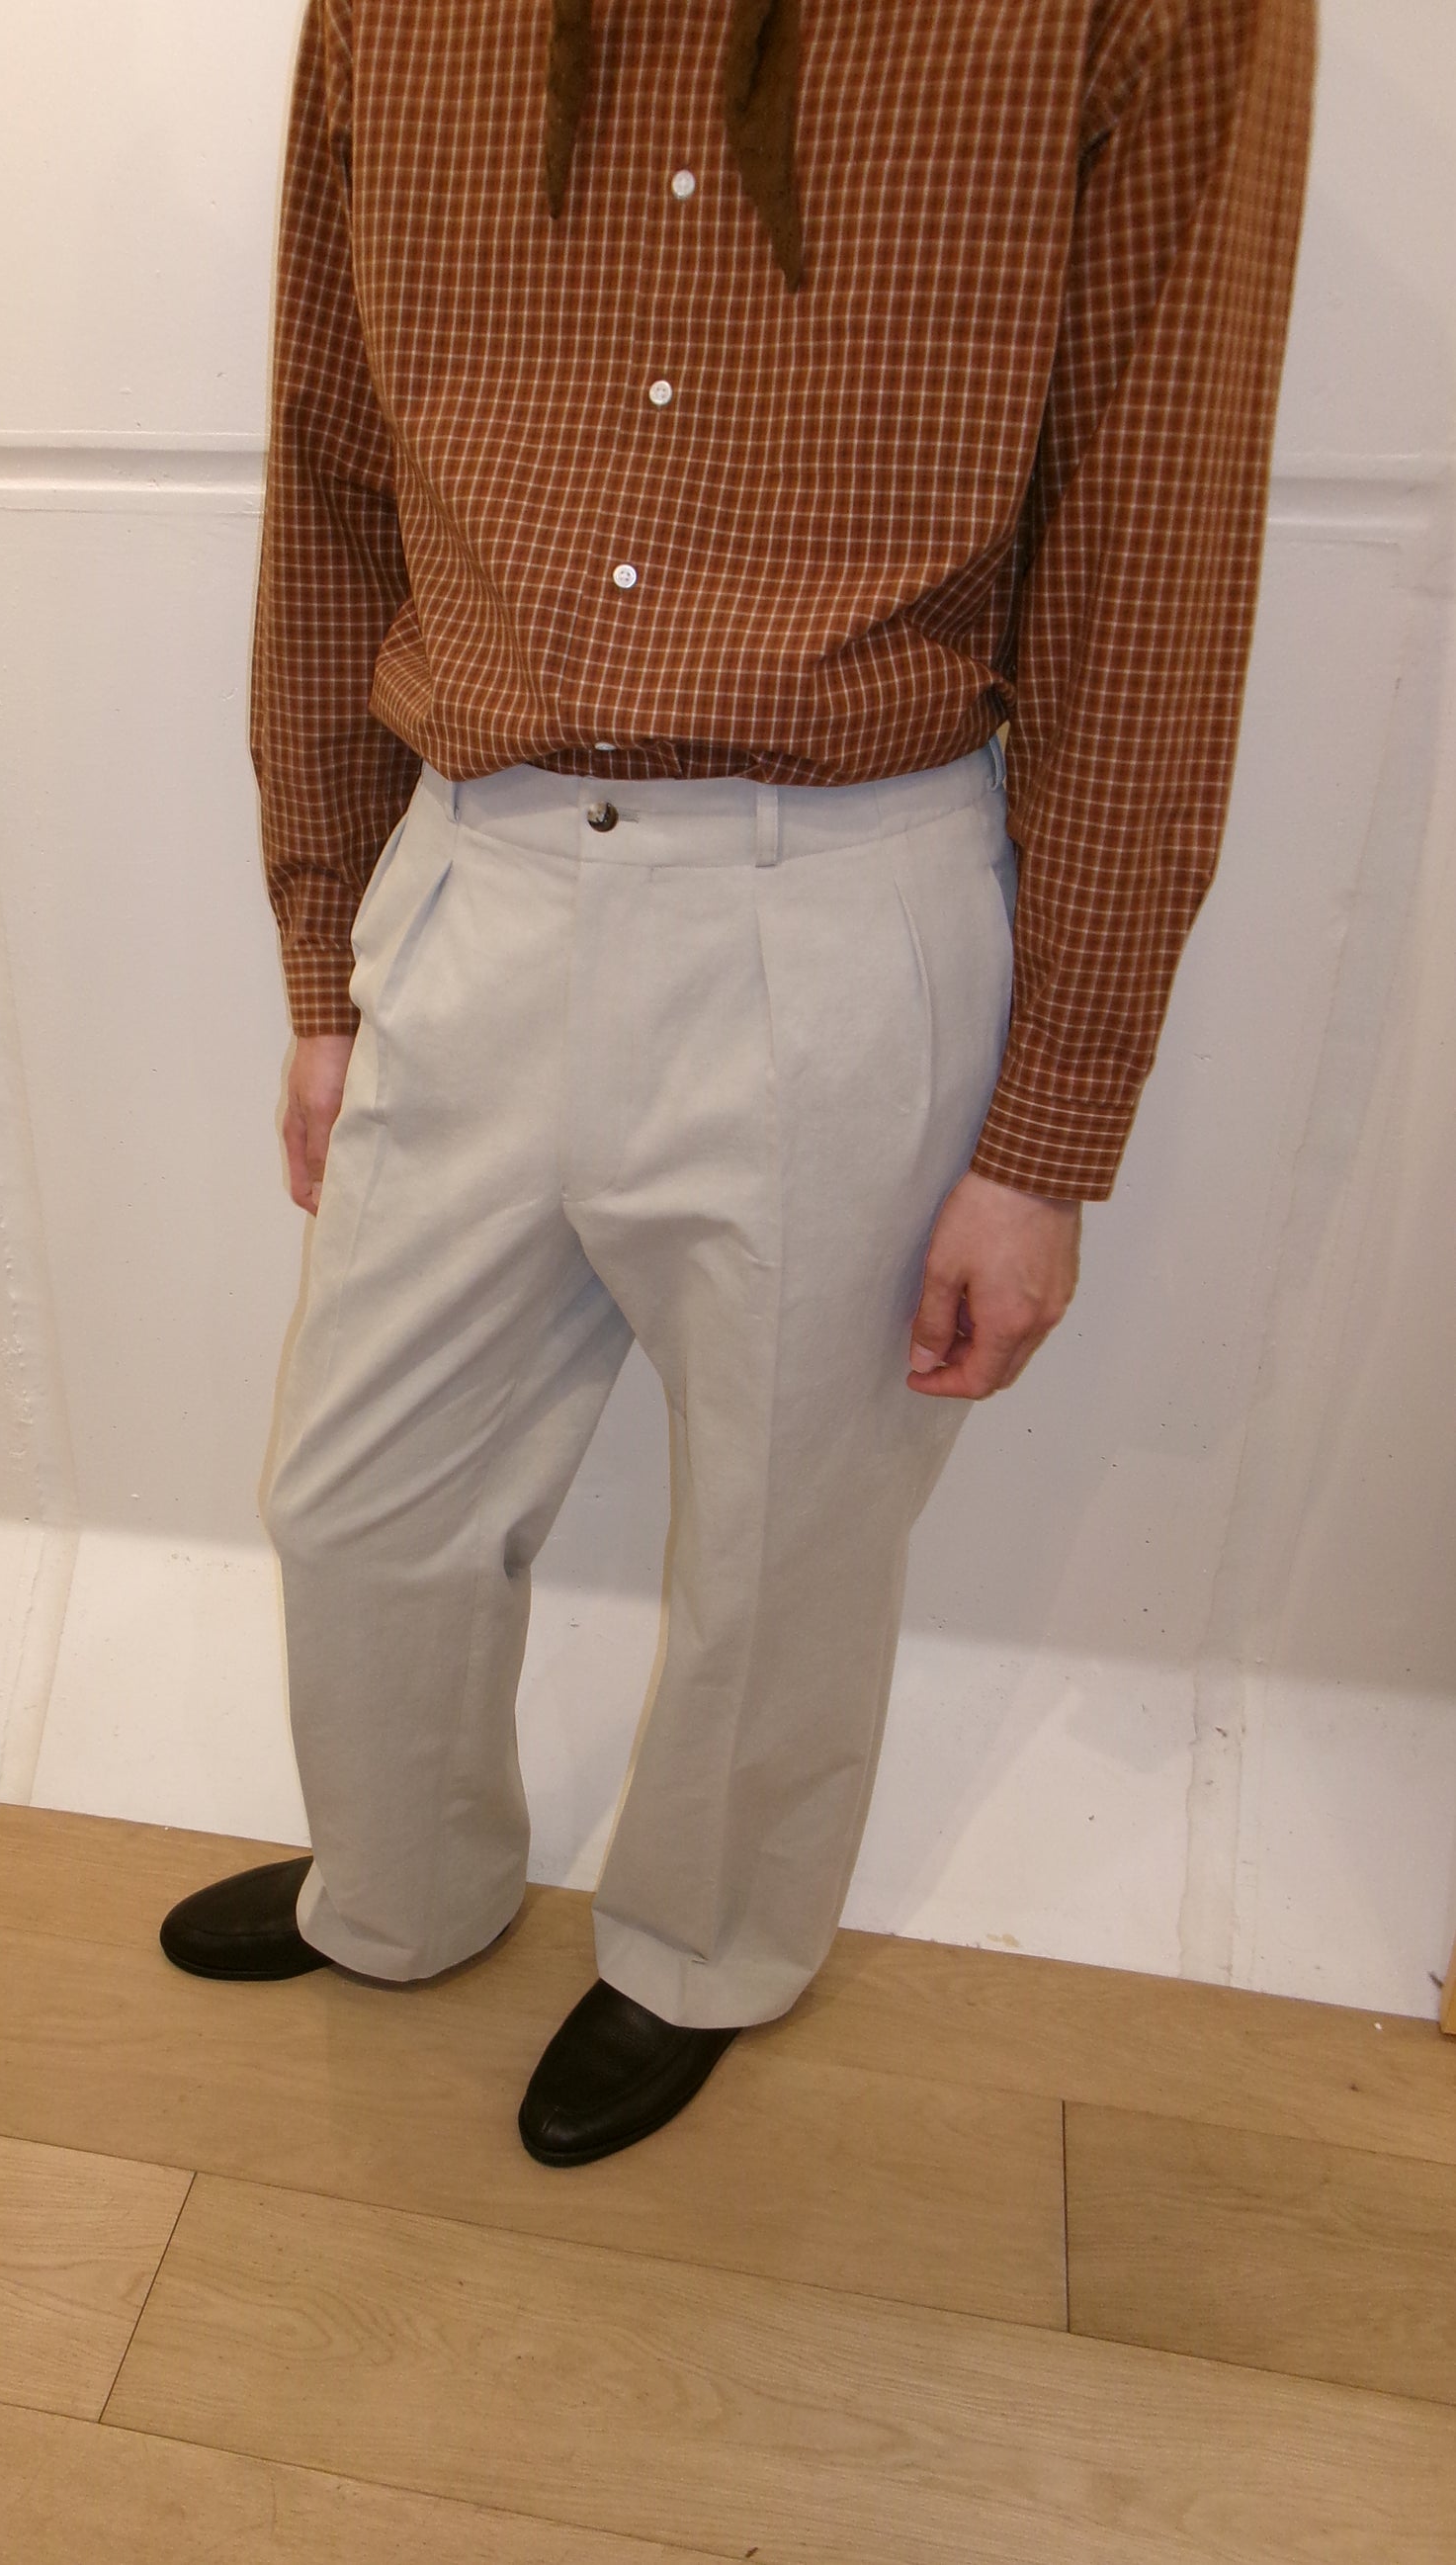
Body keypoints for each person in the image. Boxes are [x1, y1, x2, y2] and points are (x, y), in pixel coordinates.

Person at [160, 0, 1315, 2167]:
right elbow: (330, 462)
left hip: (843, 905)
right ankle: (399, 1891)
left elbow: (1148, 555)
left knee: (789, 1544)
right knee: (361, 1500)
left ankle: (704, 1951)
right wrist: (326, 951)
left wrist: (1047, 1131)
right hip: (478, 876)